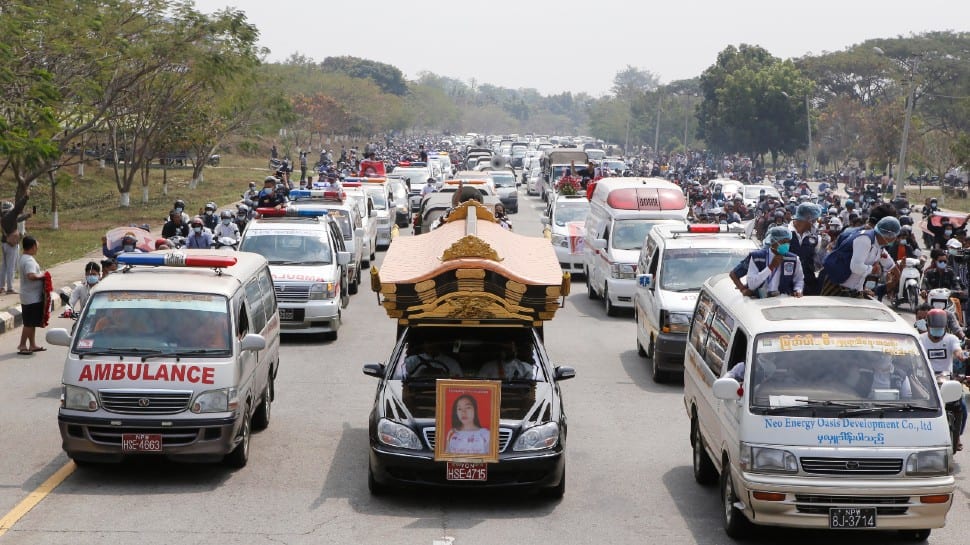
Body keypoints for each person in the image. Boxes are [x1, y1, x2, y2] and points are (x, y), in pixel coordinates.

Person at [919, 308, 967, 449]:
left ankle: (956, 437)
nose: (937, 332)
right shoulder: (920, 339)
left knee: (962, 407)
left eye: (940, 329)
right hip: (925, 380)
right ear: (927, 326)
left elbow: (958, 351)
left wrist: (962, 355)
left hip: (946, 380)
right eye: (934, 329)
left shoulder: (951, 339)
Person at [821, 216, 898, 297]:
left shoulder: (878, 245)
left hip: (853, 290)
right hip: (837, 286)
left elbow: (888, 262)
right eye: (894, 236)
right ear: (888, 234)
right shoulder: (865, 240)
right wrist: (872, 269)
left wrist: (897, 273)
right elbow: (855, 266)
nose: (895, 239)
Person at [744, 226, 805, 298]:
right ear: (773, 241)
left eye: (788, 242)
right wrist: (770, 267)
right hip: (761, 300)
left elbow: (799, 280)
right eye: (783, 242)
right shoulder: (757, 257)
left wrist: (798, 290)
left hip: (784, 300)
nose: (786, 245)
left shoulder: (793, 259)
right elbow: (752, 285)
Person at [17, 236, 47, 355]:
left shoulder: (24, 258)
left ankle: (32, 344)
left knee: (32, 322)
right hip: (31, 297)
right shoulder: (29, 260)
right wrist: (43, 276)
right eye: (37, 246)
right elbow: (31, 276)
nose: (37, 248)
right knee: (29, 323)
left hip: (28, 295)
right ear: (33, 246)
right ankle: (22, 344)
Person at [787, 203, 821, 295]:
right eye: (815, 220)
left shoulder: (815, 238)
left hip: (808, 286)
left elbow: (818, 263)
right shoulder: (784, 233)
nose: (816, 224)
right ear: (808, 218)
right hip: (786, 286)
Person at [1, 196, 31, 294]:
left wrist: (27, 216)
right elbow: (18, 207)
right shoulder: (10, 216)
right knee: (11, 266)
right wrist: (25, 197)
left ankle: (1, 286)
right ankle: (10, 288)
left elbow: (18, 219)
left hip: (4, 243)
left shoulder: (3, 217)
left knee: (4, 266)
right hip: (11, 244)